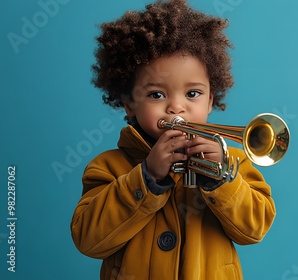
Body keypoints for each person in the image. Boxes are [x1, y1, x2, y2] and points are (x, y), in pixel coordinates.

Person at [70, 1, 276, 279]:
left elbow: (255, 229)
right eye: (157, 94)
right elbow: (88, 240)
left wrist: (221, 180)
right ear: (130, 104)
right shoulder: (108, 166)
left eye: (193, 94)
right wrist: (146, 178)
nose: (176, 108)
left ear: (211, 101)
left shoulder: (232, 161)